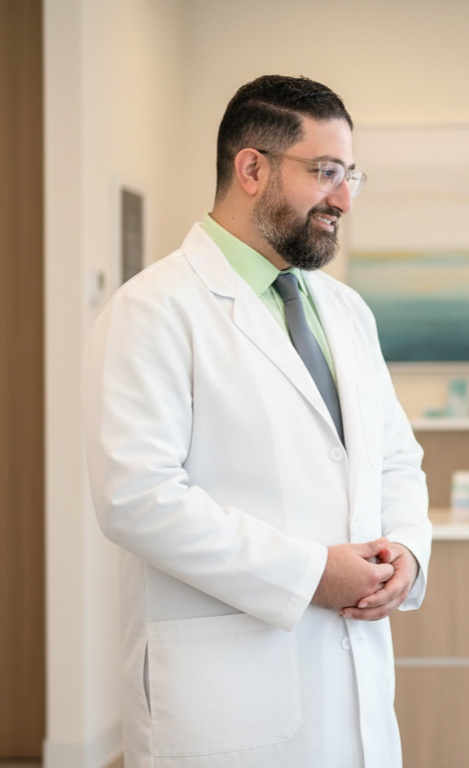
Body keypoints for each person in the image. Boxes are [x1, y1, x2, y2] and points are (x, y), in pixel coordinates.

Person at [82, 75, 432, 767]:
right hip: (226, 694)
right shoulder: (153, 310)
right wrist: (309, 573)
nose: (344, 198)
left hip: (353, 673)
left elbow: (396, 459)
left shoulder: (345, 311)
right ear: (251, 169)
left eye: (351, 173)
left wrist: (409, 553)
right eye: (325, 172)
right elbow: (136, 499)